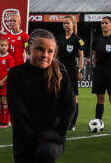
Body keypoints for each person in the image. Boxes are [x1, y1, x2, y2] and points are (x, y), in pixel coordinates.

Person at [8, 29, 75, 163]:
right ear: (28, 50)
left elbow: (69, 107)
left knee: (45, 154)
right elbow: (17, 111)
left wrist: (55, 133)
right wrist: (33, 135)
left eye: (50, 51)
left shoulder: (60, 72)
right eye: (40, 49)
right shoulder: (16, 74)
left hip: (51, 138)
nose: (45, 55)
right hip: (24, 137)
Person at [56, 16, 84, 131]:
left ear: (73, 24)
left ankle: (72, 123)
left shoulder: (78, 39)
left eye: (67, 23)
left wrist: (80, 70)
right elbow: (56, 55)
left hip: (72, 71)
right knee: (59, 97)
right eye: (64, 23)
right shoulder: (59, 38)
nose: (65, 25)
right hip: (60, 71)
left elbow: (81, 56)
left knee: (73, 98)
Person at [0, 38, 16, 128]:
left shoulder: (9, 57)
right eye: (2, 45)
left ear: (8, 47)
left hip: (5, 84)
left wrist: (3, 81)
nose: (3, 47)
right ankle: (1, 121)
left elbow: (11, 72)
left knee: (4, 102)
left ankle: (6, 122)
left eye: (5, 46)